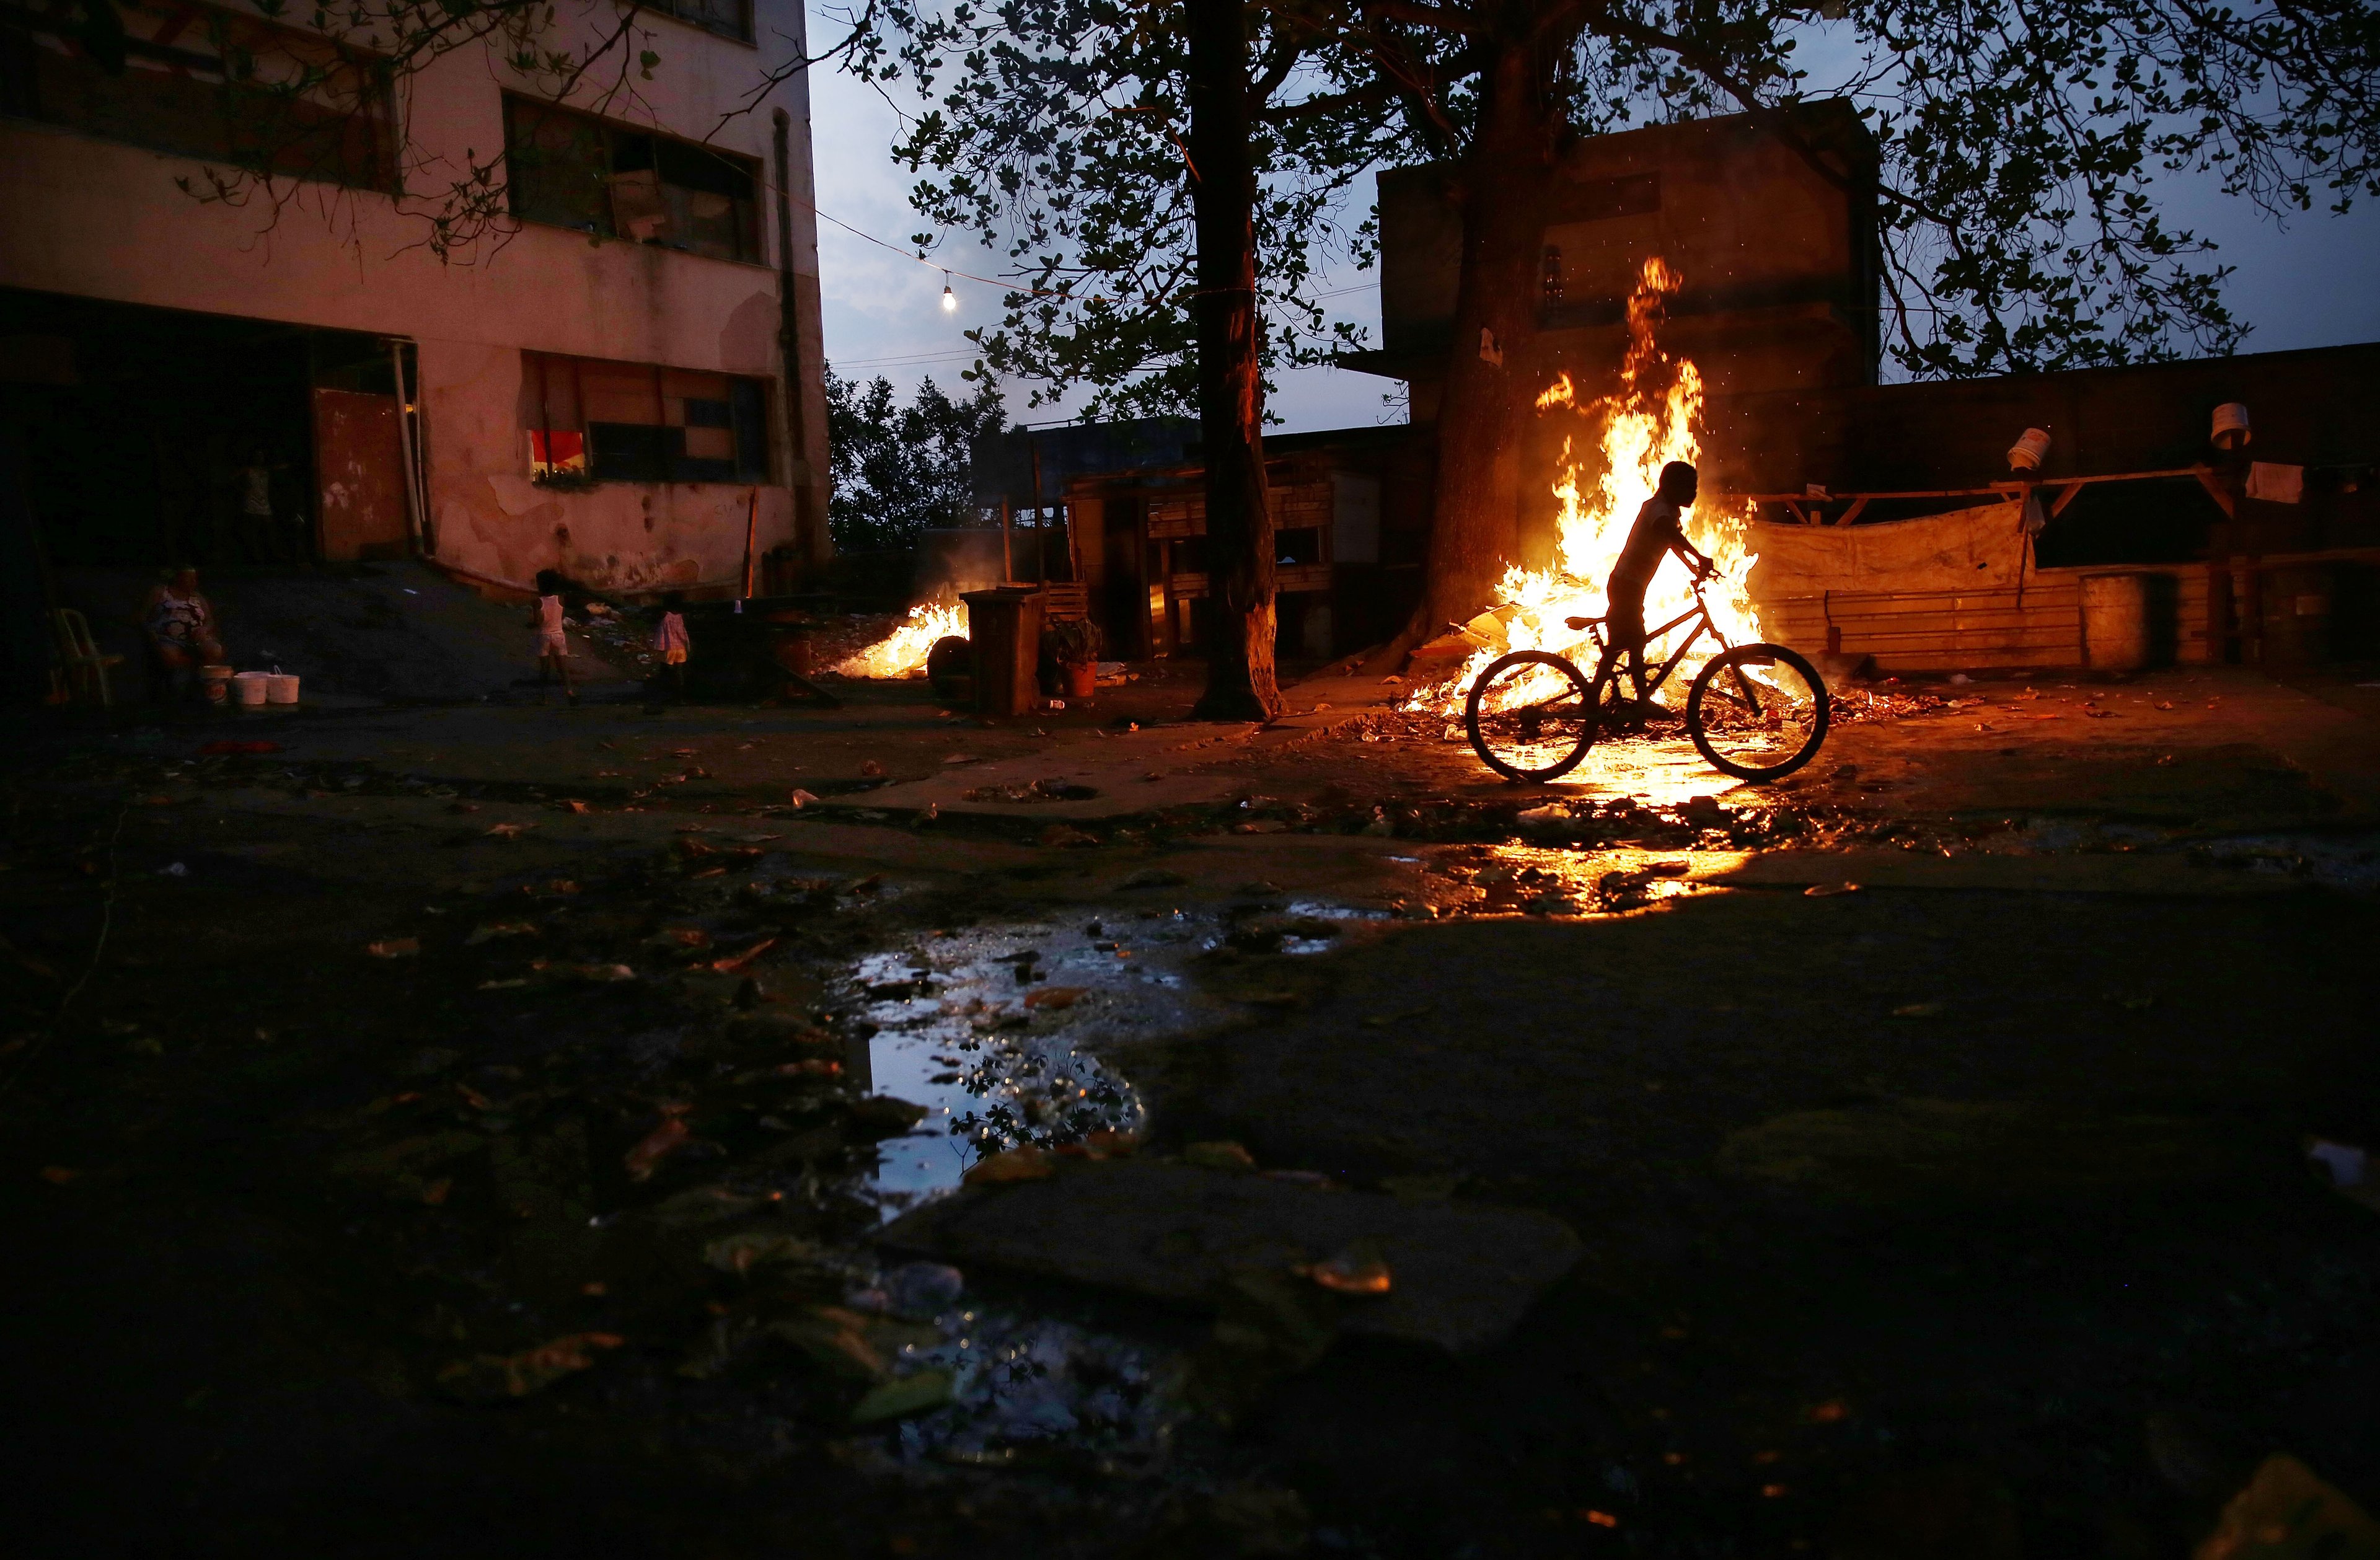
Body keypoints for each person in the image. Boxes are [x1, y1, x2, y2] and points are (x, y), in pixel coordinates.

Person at [1604, 461, 1715, 710]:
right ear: (1671, 487)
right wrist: (1699, 557)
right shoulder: (1658, 509)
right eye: (1689, 486)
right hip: (1626, 585)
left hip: (1631, 585)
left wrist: (1694, 568)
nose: (1694, 492)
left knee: (1629, 643)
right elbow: (1668, 532)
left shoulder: (1667, 511)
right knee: (1633, 641)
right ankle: (1637, 702)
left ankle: (1630, 699)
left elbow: (1671, 543)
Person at [142, 566, 225, 700]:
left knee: (215, 650)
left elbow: (210, 621)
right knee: (170, 657)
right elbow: (143, 617)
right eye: (189, 578)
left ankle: (206, 681)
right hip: (169, 638)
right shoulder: (161, 592)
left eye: (195, 579)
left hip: (196, 637)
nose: (194, 582)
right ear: (178, 578)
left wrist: (204, 629)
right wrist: (151, 633)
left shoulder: (197, 597)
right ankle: (194, 673)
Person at [529, 570, 576, 705]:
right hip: (558, 635)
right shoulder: (560, 599)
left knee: (545, 668)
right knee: (563, 667)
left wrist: (530, 625)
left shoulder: (537, 602)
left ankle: (544, 697)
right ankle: (570, 692)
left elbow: (538, 622)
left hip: (544, 636)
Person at [652, 593, 690, 702]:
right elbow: (683, 633)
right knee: (680, 672)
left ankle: (668, 694)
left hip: (670, 648)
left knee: (668, 671)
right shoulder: (681, 617)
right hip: (681, 647)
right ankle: (680, 697)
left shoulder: (665, 615)